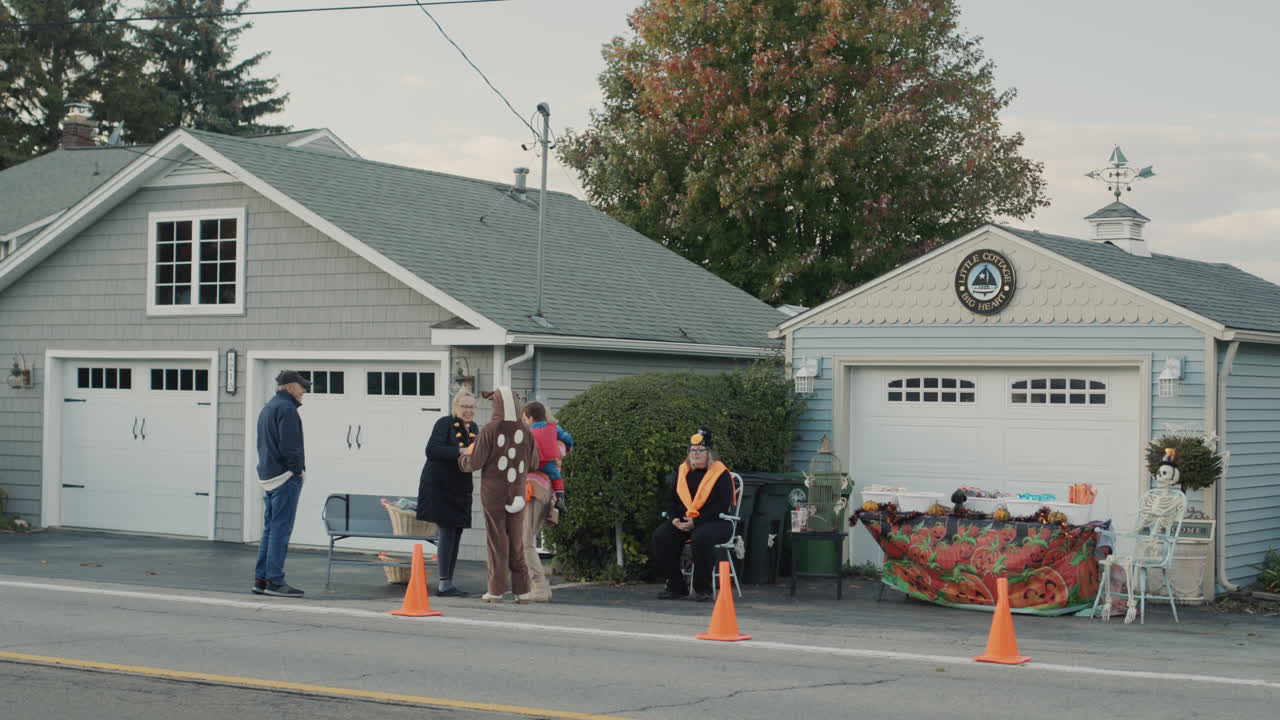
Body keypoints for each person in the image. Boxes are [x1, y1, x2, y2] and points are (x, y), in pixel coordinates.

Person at [458, 386, 536, 602]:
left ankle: (496, 589)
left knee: (497, 539)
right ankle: (523, 590)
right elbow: (535, 461)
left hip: (494, 492)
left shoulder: (490, 430)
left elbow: (475, 462)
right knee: (516, 541)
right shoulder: (526, 430)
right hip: (518, 493)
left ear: (498, 404)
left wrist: (463, 457)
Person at [651, 427, 735, 602]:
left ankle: (702, 588)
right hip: (684, 521)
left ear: (709, 453)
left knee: (701, 536)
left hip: (716, 522)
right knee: (661, 536)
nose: (695, 454)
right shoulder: (683, 472)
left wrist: (696, 521)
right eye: (692, 450)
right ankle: (676, 586)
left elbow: (722, 505)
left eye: (700, 450)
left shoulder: (720, 473)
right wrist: (674, 519)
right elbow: (670, 500)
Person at [415, 390, 479, 597]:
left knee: (457, 531)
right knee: (447, 531)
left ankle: (449, 581)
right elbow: (432, 450)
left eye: (471, 407)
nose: (468, 410)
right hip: (439, 485)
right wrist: (461, 451)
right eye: (464, 406)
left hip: (461, 486)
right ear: (456, 406)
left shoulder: (474, 429)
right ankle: (444, 583)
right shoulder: (444, 423)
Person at [253, 370, 310, 597]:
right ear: (289, 387)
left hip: (268, 474)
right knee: (280, 530)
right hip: (285, 477)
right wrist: (298, 471)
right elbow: (290, 446)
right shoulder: (287, 409)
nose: (304, 390)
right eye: (301, 386)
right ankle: (275, 581)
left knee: (270, 529)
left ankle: (261, 579)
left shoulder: (268, 407)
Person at [518, 401, 573, 602]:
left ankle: (539, 587)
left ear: (530, 418)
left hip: (534, 491)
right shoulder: (555, 435)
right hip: (546, 490)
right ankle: (540, 586)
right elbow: (565, 448)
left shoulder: (529, 434)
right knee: (527, 540)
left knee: (525, 542)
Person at [522, 401, 573, 512]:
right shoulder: (553, 427)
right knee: (556, 476)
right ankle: (560, 499)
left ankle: (523, 493)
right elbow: (566, 437)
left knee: (522, 476)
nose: (525, 422)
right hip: (547, 463)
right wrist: (569, 446)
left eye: (525, 420)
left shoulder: (526, 431)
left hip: (530, 463)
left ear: (530, 418)